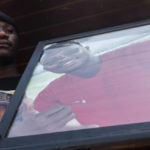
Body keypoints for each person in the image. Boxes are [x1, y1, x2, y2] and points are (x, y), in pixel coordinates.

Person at [34, 40, 150, 128]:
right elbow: (36, 112)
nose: (62, 59)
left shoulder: (134, 53)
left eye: (70, 51)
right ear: (47, 68)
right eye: (51, 61)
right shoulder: (53, 91)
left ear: (87, 48)